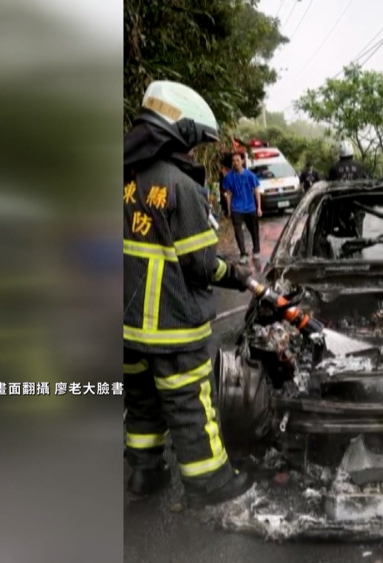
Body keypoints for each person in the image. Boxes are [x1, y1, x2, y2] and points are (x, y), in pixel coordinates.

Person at [123, 80, 254, 506]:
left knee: (143, 405)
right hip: (172, 326)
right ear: (177, 132)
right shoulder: (180, 187)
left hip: (127, 327)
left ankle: (145, 475)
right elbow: (200, 264)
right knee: (189, 406)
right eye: (195, 144)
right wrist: (235, 275)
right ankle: (209, 483)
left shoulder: (126, 179)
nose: (195, 153)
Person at [220, 152, 263, 257]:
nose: (235, 163)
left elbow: (257, 191)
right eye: (233, 161)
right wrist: (229, 210)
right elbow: (228, 194)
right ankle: (243, 253)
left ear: (242, 161)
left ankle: (256, 250)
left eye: (238, 160)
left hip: (250, 207)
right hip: (236, 208)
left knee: (254, 230)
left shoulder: (250, 175)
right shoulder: (229, 177)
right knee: (238, 231)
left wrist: (259, 208)